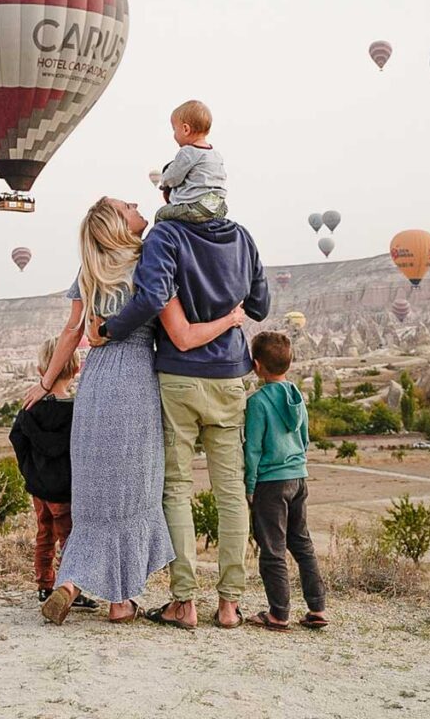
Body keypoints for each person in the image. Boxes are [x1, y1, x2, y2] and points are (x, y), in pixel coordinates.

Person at [22, 198, 245, 626]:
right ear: (118, 224)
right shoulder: (150, 260)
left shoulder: (91, 270)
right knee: (134, 493)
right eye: (128, 206)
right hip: (138, 382)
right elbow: (174, 325)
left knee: (94, 495)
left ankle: (69, 581)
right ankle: (121, 602)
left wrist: (46, 382)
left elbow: (72, 332)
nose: (137, 204)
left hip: (96, 384)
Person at [92, 196, 269, 630]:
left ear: (171, 195)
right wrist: (231, 315)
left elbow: (153, 298)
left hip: (178, 377)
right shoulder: (242, 237)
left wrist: (109, 329)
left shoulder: (164, 236)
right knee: (230, 492)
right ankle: (229, 605)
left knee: (176, 489)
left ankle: (184, 601)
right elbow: (261, 307)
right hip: (229, 376)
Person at [244, 331, 327, 631]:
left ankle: (279, 613)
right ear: (289, 365)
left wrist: (250, 485)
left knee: (273, 549)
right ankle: (317, 608)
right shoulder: (297, 396)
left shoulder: (258, 403)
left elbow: (253, 448)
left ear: (256, 366)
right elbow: (304, 438)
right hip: (298, 477)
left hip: (270, 482)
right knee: (302, 543)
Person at [9, 336, 98, 611]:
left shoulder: (30, 409)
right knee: (68, 539)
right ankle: (68, 587)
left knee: (44, 535)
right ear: (76, 370)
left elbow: (17, 438)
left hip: (39, 489)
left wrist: (30, 472)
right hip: (65, 490)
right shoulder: (78, 411)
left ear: (40, 371)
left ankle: (44, 585)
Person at [155, 100, 228, 223]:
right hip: (218, 205)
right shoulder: (215, 154)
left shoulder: (188, 152)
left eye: (174, 129)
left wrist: (162, 181)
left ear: (185, 129)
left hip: (197, 206)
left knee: (161, 214)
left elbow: (173, 177)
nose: (174, 134)